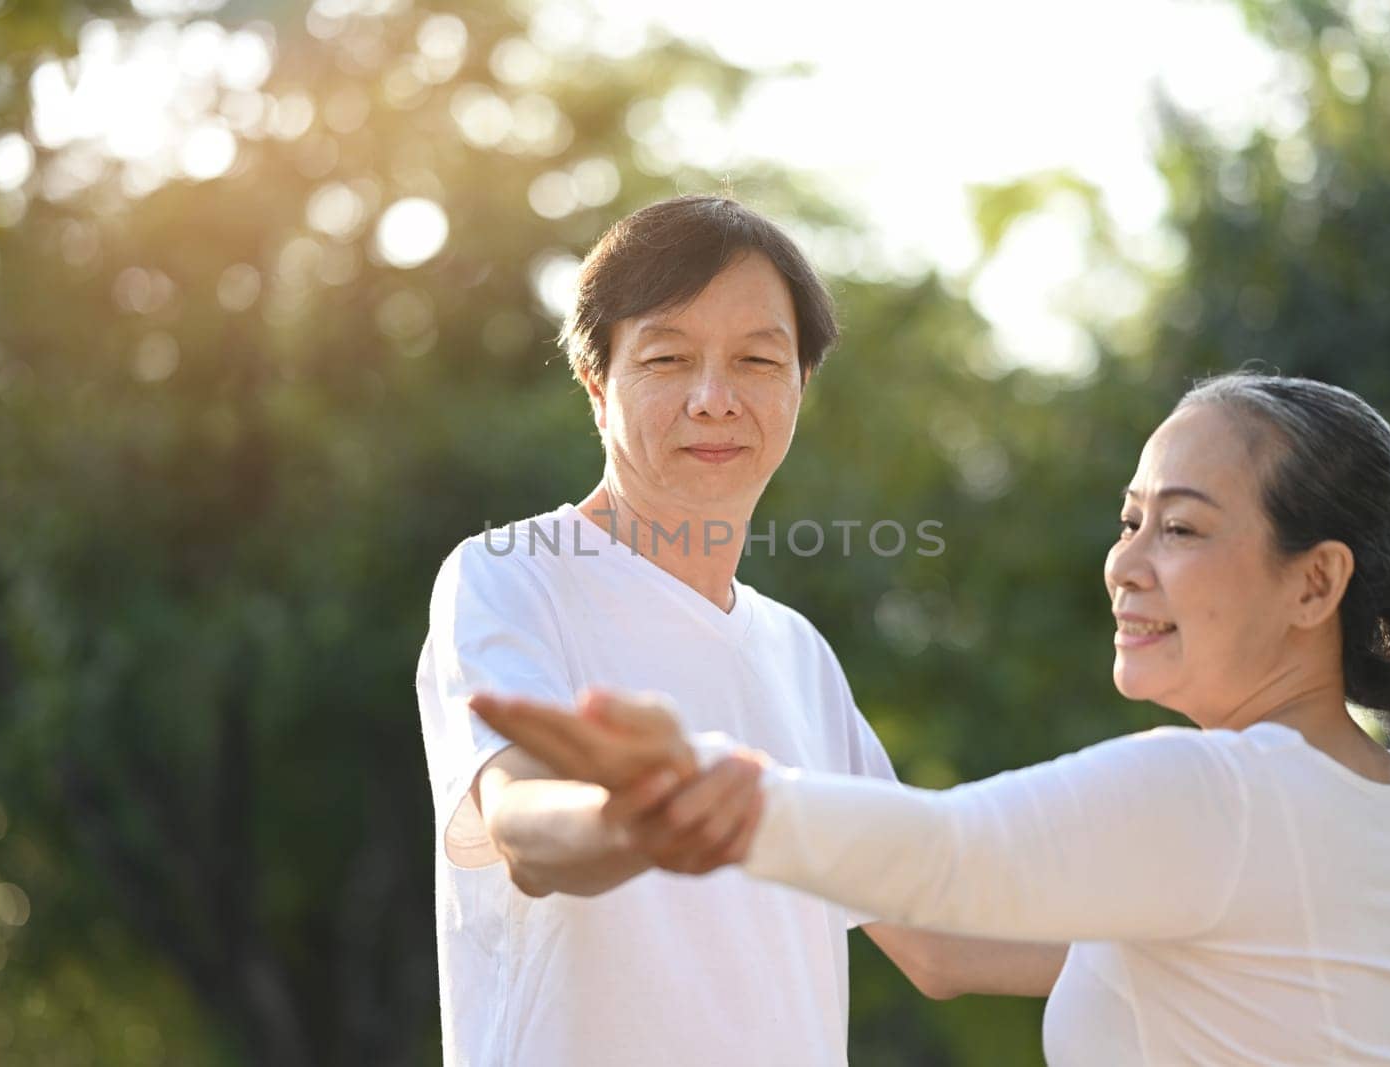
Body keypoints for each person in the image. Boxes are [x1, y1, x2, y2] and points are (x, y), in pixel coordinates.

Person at [473, 372, 1390, 1065]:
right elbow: (947, 939)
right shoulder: (1389, 814)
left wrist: (698, 782)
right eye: (1129, 518)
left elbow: (945, 854)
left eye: (1181, 526)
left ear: (1314, 582)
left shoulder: (1220, 795)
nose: (1125, 564)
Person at [416, 195, 1060, 1067]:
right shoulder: (511, 574)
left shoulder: (797, 651)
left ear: (800, 386)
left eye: (757, 360)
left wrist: (1196, 943)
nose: (714, 399)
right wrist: (636, 819)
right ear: (598, 385)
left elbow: (936, 938)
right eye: (668, 358)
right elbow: (524, 823)